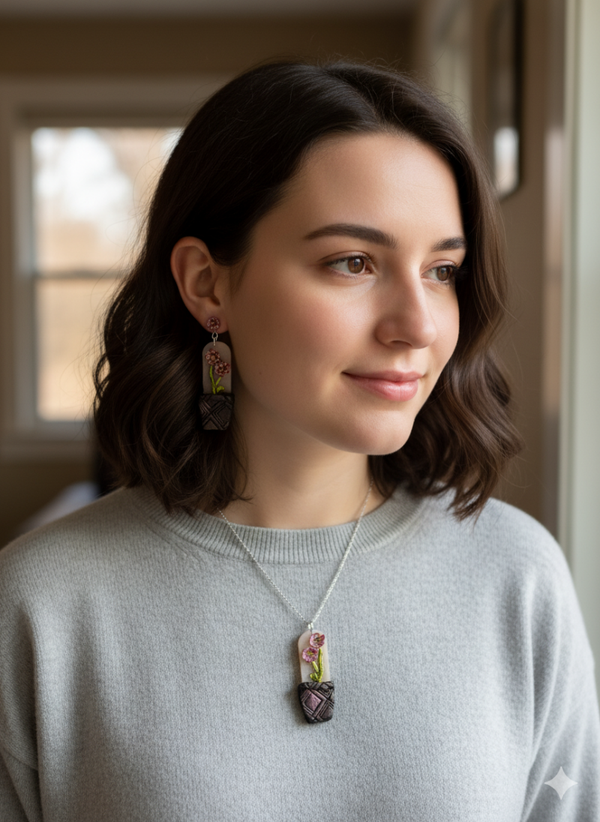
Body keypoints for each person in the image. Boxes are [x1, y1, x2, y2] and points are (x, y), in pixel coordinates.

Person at [0, 61, 598, 822]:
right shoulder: (39, 607)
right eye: (353, 262)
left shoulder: (516, 578)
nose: (417, 324)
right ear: (208, 285)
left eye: (443, 269)